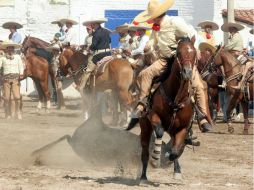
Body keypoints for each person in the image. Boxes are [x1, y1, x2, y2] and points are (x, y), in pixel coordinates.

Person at [132, 0, 212, 131]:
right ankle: (142, 103)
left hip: (181, 60)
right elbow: (153, 41)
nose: (151, 20)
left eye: (152, 18)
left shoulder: (175, 21)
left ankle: (202, 117)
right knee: (144, 74)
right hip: (164, 60)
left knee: (198, 85)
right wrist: (148, 46)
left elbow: (191, 35)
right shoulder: (156, 27)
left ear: (157, 16)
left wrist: (195, 49)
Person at [79, 18, 111, 89]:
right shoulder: (106, 31)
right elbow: (109, 41)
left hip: (99, 55)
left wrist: (89, 48)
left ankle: (81, 88)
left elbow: (94, 45)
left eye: (92, 24)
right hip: (108, 53)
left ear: (96, 24)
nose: (91, 26)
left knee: (88, 70)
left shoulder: (96, 33)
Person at [0, 41, 24, 119]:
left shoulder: (17, 57)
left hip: (15, 79)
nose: (10, 50)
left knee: (17, 97)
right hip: (6, 79)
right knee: (7, 98)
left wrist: (21, 73)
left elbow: (21, 66)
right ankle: (8, 113)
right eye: (8, 48)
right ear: (6, 49)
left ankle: (18, 112)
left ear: (13, 49)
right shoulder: (2, 58)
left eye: (11, 48)